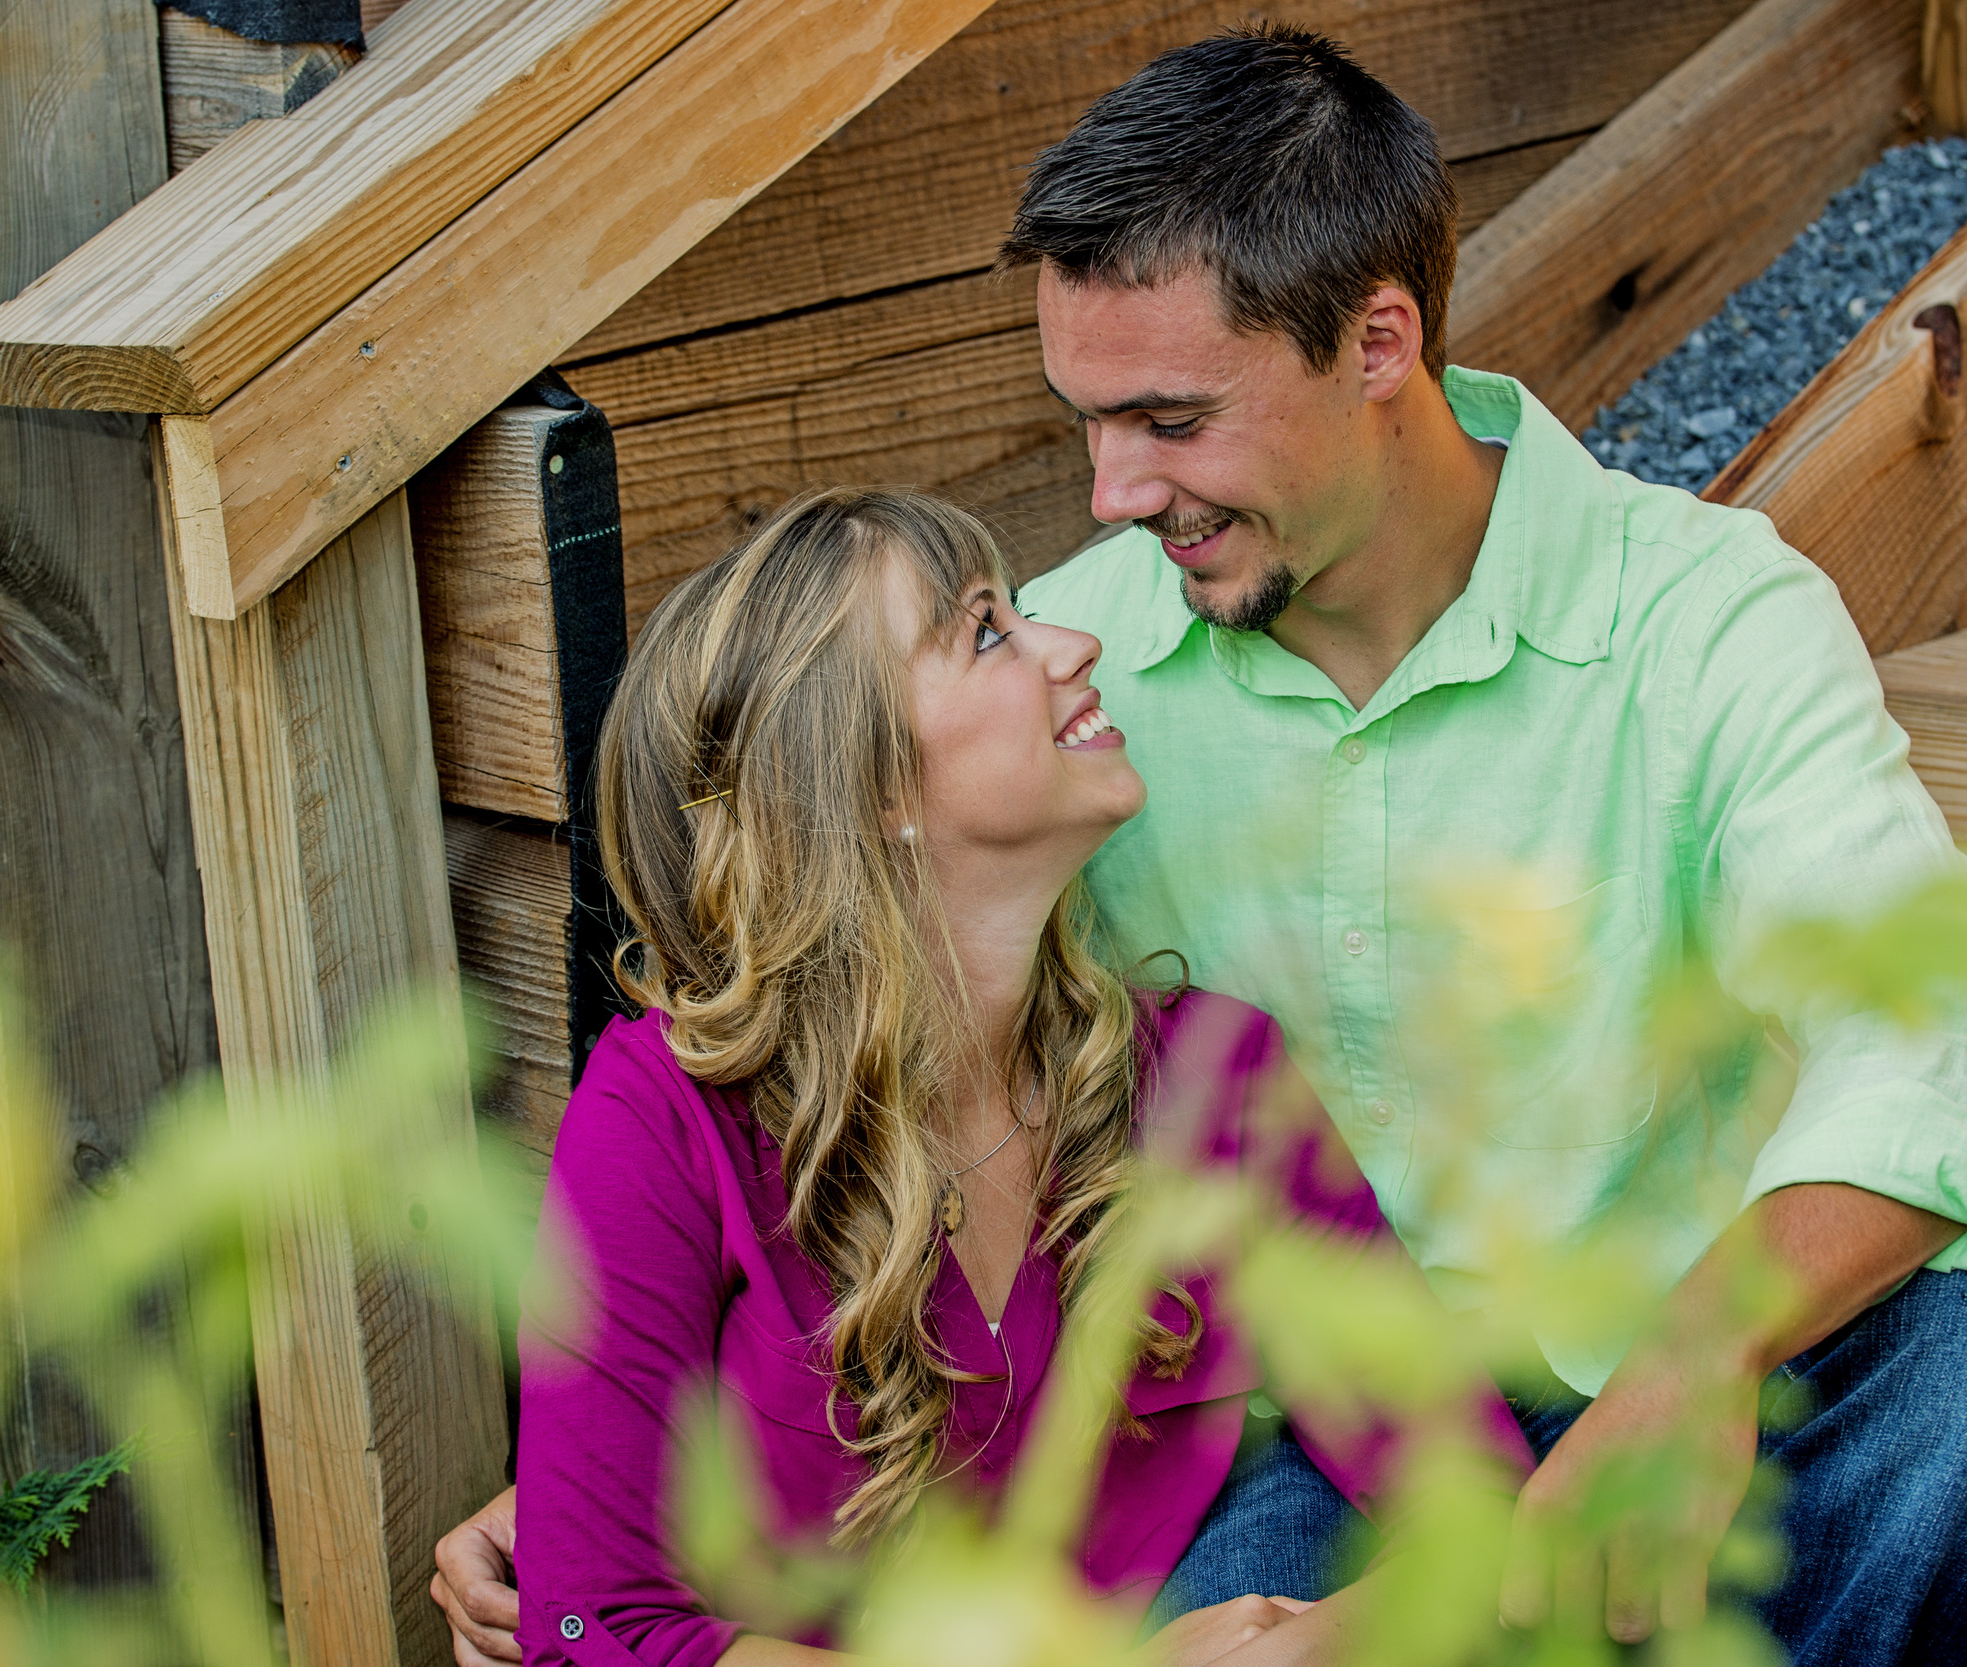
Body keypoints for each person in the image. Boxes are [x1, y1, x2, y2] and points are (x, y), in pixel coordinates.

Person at [437, 24, 1967, 1665]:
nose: (1105, 496)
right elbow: (860, 1026)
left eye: (1167, 418)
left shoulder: (1706, 620)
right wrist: (607, 1485)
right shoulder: (1082, 676)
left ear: (1379, 342)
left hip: (1735, 1358)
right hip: (1314, 1435)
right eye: (1085, 419)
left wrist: (1696, 1363)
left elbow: (1921, 1030)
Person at [496, 487, 1528, 1666]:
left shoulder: (1211, 1080)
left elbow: (1476, 1494)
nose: (1073, 645)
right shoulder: (662, 1118)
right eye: (987, 630)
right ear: (866, 783)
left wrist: (1331, 1640)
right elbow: (590, 1632)